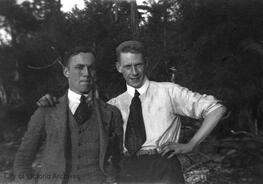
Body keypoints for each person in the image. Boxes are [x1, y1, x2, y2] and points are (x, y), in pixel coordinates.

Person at [37, 41, 226, 184]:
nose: (134, 72)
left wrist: (191, 144)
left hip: (163, 167)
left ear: (146, 63)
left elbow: (216, 109)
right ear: (119, 67)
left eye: (138, 65)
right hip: (127, 170)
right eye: (127, 66)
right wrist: (52, 106)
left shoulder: (168, 91)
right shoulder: (113, 105)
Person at [14, 46, 123, 184]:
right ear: (66, 71)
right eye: (79, 67)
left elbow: (119, 161)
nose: (86, 73)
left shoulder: (111, 113)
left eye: (91, 68)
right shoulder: (46, 111)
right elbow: (23, 159)